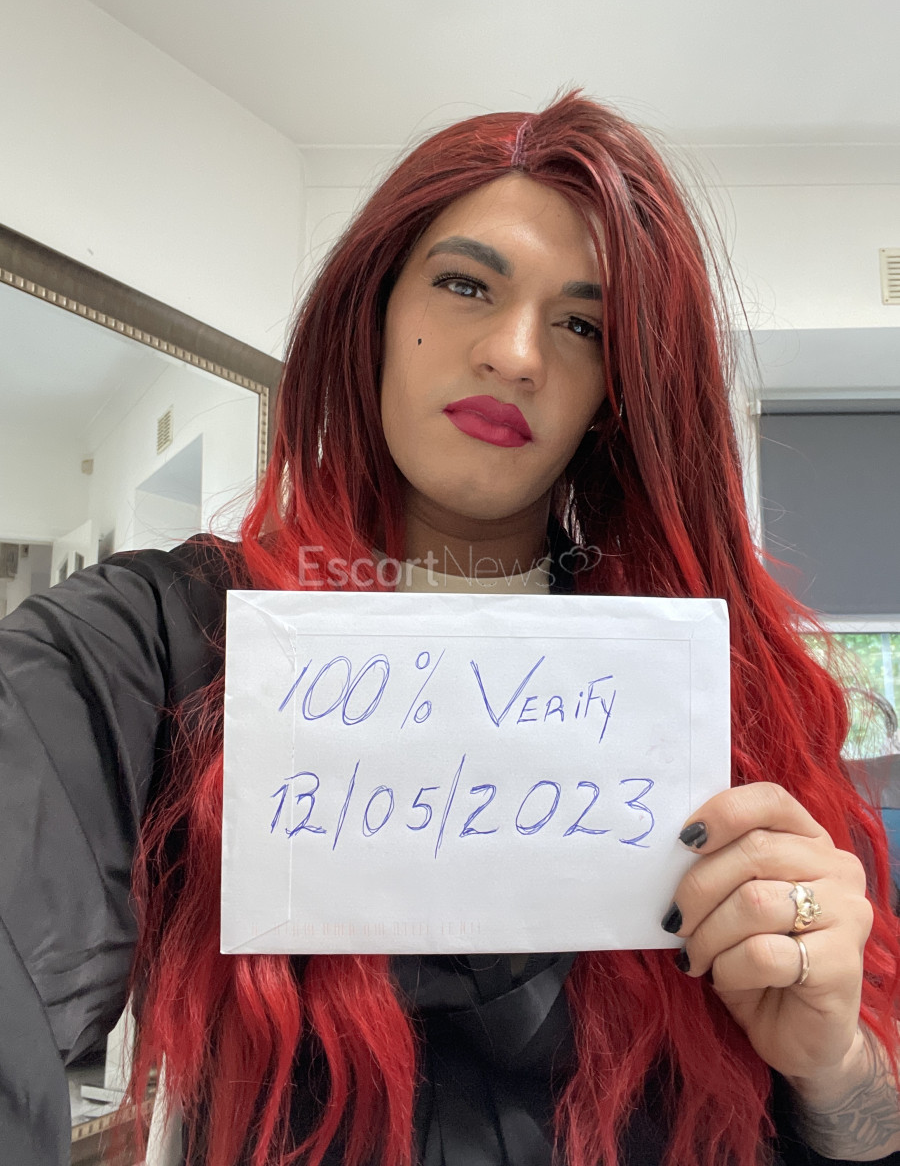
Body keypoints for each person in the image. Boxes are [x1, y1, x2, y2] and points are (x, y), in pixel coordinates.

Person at [1, 93, 899, 1166]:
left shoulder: (730, 702)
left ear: (619, 390)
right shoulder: (162, 641)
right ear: (374, 310)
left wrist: (836, 1065)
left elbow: (871, 1130)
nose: (516, 355)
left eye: (583, 325)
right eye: (467, 284)